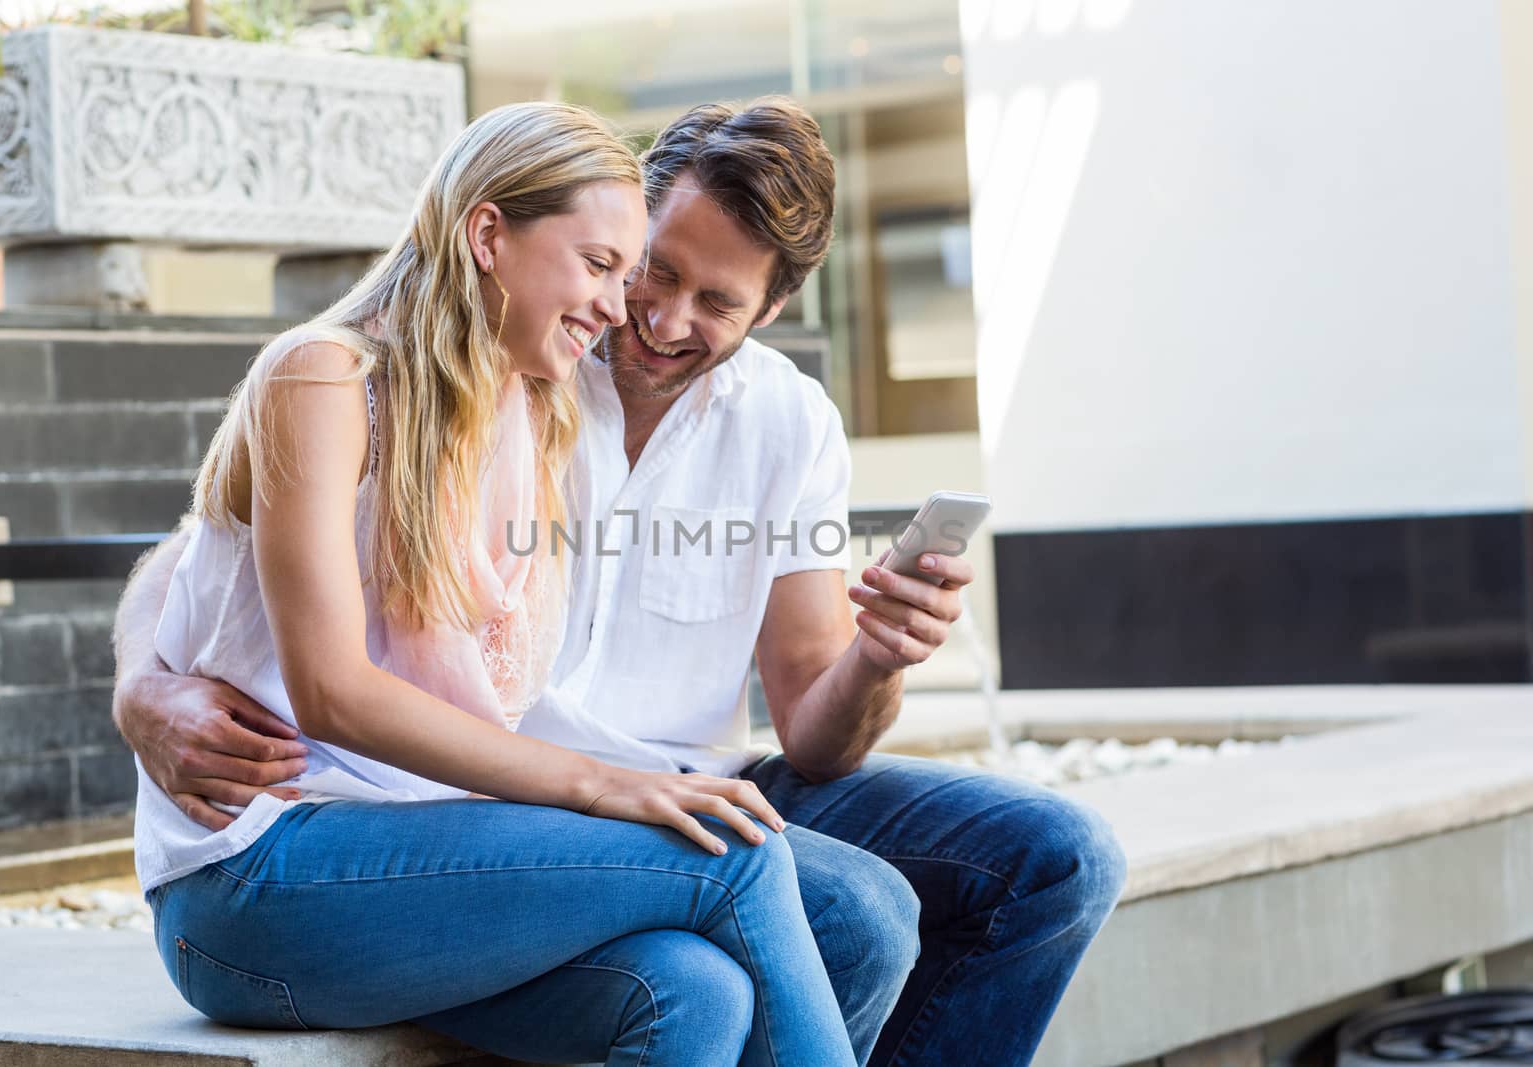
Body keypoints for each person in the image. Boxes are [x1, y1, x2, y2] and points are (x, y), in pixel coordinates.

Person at [116, 98, 1126, 1066]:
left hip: (591, 793)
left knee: (1005, 875)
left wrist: (879, 650)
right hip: (402, 813)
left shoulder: (622, 399)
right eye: (636, 266)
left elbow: (815, 729)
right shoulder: (479, 360)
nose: (642, 313)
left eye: (715, 300)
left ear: (769, 310)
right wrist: (143, 686)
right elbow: (217, 550)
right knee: (812, 892)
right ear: (501, 236)